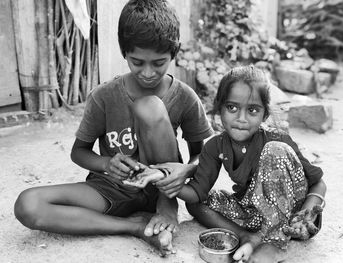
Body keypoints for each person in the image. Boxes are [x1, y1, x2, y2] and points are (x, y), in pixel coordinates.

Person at [14, 0, 213, 256]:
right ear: (124, 52)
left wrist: (184, 170)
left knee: (150, 106)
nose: (148, 72)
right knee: (28, 205)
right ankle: (134, 226)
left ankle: (165, 207)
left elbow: (202, 155)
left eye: (159, 63)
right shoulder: (104, 96)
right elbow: (79, 152)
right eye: (137, 62)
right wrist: (108, 164)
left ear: (174, 54)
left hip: (160, 188)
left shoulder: (184, 96)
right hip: (113, 188)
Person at [170, 65, 326, 263]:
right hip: (257, 213)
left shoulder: (276, 139)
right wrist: (166, 182)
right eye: (232, 108)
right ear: (219, 108)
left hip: (296, 219)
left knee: (273, 151)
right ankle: (251, 236)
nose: (241, 119)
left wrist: (307, 212)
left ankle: (274, 244)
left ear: (265, 114)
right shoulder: (215, 146)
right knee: (197, 204)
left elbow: (319, 183)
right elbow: (197, 193)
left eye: (252, 110)